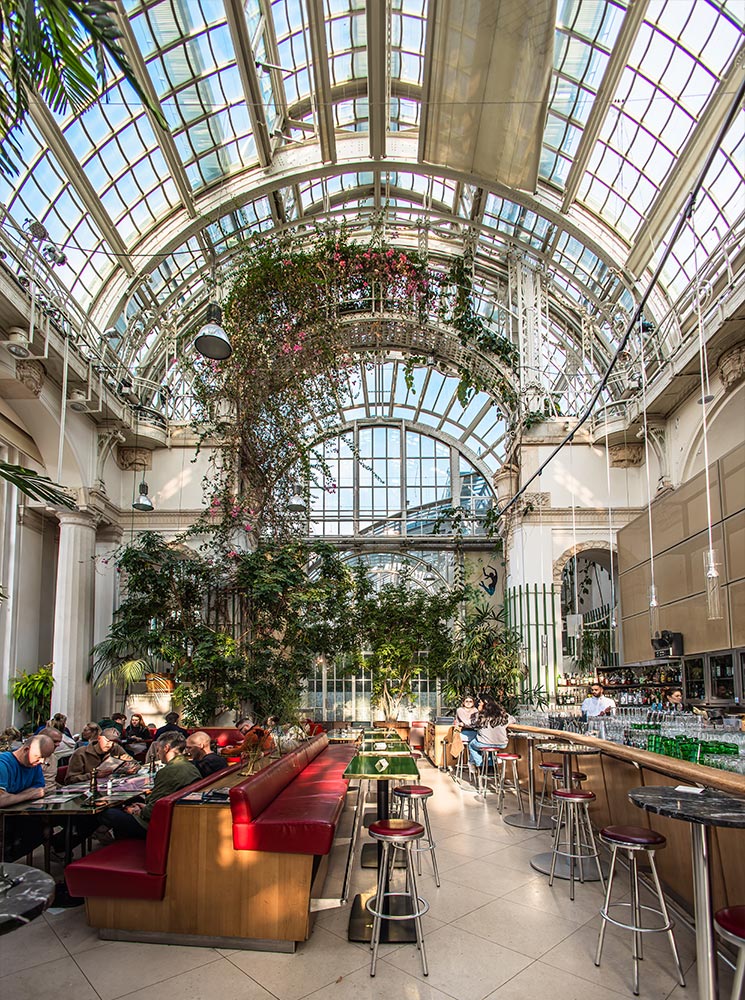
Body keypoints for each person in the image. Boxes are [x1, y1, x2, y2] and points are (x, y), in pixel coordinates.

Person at [101, 732, 200, 840]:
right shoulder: (191, 767)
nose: (157, 754)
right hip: (175, 815)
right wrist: (144, 806)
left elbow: (152, 811)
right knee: (132, 800)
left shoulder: (168, 771)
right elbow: (159, 801)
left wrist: (136, 811)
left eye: (158, 750)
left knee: (108, 813)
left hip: (158, 825)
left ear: (166, 748)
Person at [0, 735, 55, 860]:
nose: (41, 761)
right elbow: (1, 800)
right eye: (39, 757)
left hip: (19, 814)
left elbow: (39, 789)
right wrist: (28, 795)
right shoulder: (3, 764)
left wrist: (12, 797)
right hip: (5, 818)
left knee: (42, 830)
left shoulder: (33, 765)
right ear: (26, 750)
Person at [64, 728, 138, 784]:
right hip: (86, 792)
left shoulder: (115, 748)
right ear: (99, 738)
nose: (110, 745)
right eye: (108, 741)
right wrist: (94, 775)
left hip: (110, 787)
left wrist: (129, 769)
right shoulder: (81, 753)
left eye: (114, 742)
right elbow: (70, 779)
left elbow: (135, 763)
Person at [467, 697, 515, 773]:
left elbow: (471, 723)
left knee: (471, 745)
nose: (478, 705)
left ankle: (481, 765)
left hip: (484, 743)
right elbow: (513, 719)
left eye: (480, 703)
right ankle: (491, 766)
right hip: (502, 744)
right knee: (489, 747)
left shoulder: (480, 715)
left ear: (485, 705)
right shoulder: (503, 715)